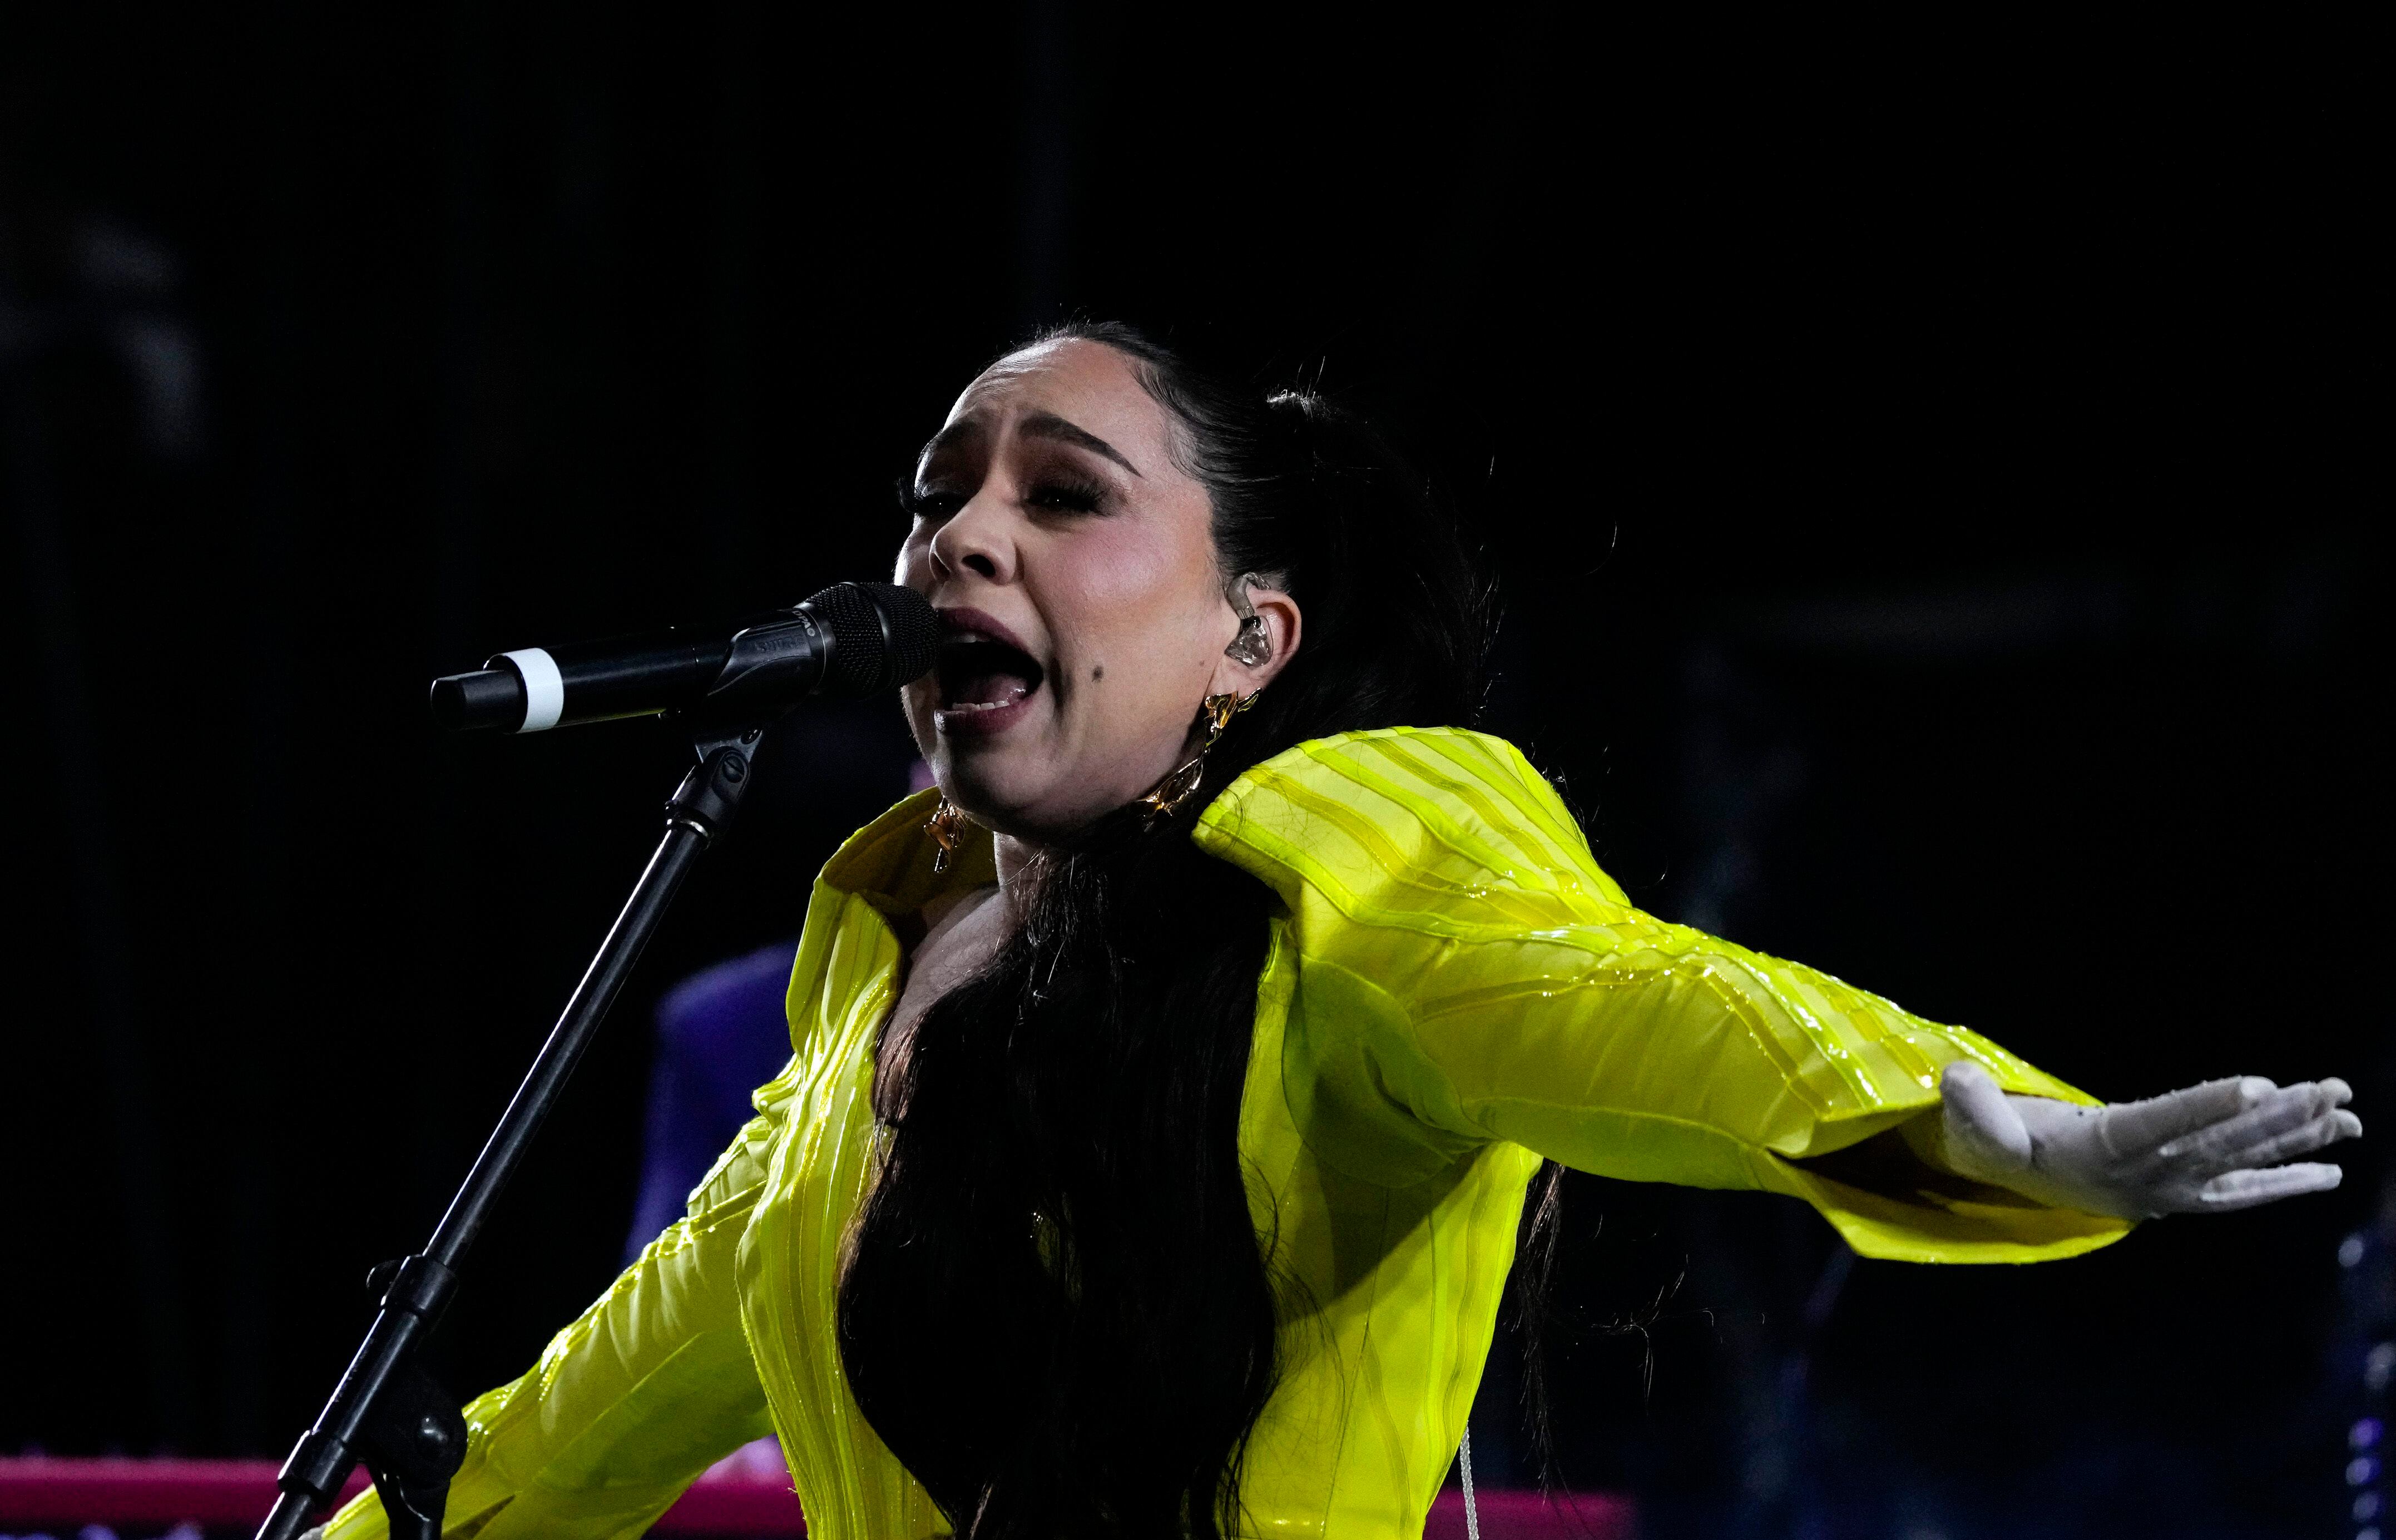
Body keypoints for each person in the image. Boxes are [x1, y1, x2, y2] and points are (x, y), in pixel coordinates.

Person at [316, 322, 2361, 1540]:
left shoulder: (1348, 870)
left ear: (1245, 643)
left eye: (1065, 492)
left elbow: (1641, 1004)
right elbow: (537, 1454)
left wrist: (1971, 1111)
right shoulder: (861, 1018)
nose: (960, 535)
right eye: (939, 494)